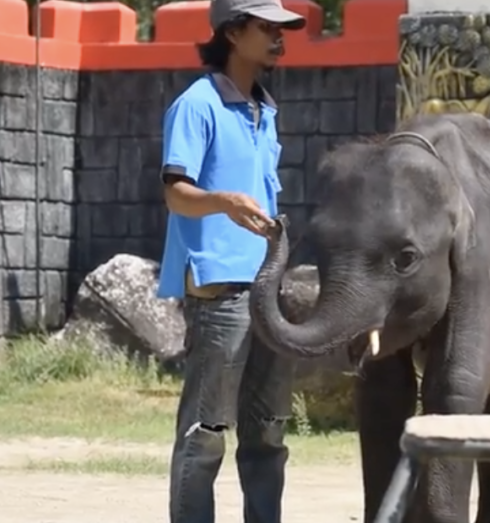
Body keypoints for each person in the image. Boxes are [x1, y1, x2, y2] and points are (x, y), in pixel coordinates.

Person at [157, 1, 306, 522]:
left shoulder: (265, 110)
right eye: (267, 28)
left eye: (282, 30)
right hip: (220, 293)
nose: (279, 39)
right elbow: (176, 192)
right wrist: (225, 201)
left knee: (268, 432)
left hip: (267, 290)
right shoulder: (196, 105)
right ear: (233, 31)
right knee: (206, 434)